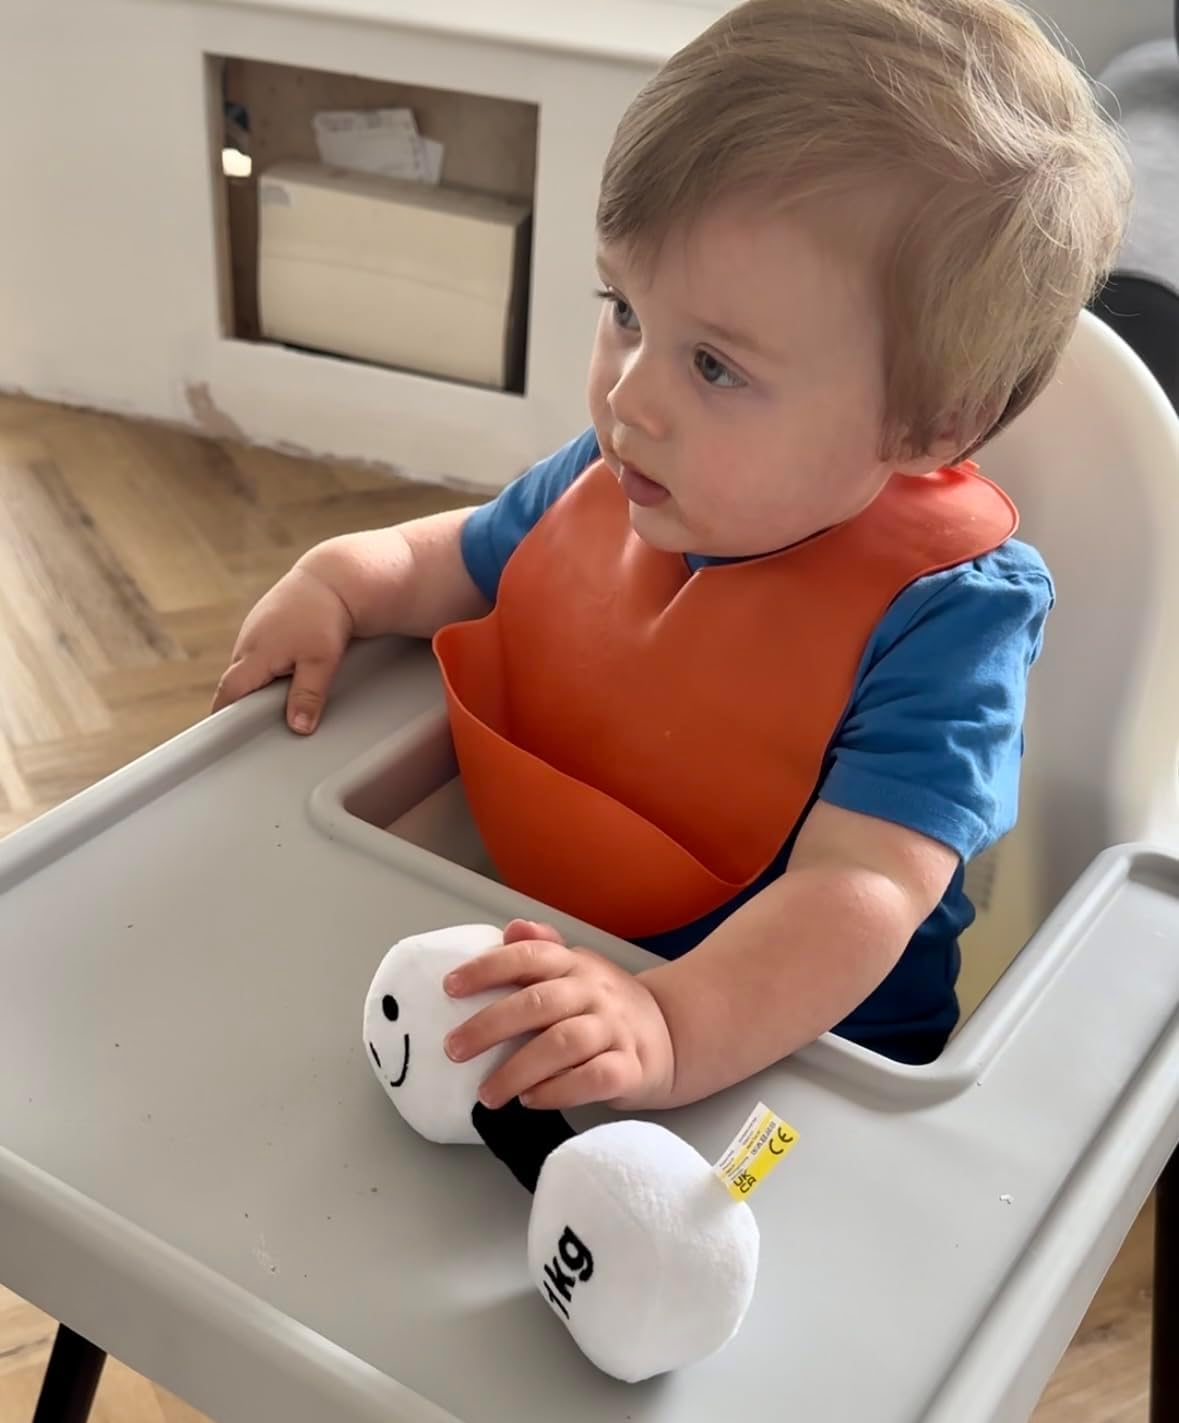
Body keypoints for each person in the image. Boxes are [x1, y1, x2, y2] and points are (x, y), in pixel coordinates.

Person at [213, 0, 1130, 1111]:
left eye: (716, 367)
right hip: (552, 968)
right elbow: (457, 555)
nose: (628, 396)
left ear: (931, 424)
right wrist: (342, 578)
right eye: (625, 309)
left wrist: (671, 1018)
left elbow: (866, 884)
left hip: (800, 1070)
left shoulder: (947, 616)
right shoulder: (611, 480)